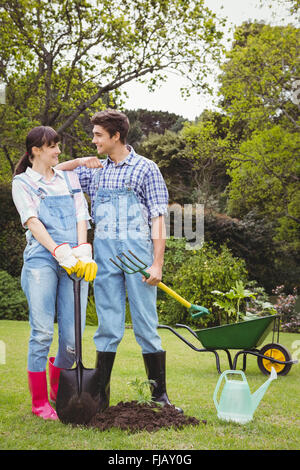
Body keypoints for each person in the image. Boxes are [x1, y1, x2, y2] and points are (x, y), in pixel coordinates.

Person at [56, 109, 182, 412]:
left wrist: (157, 264)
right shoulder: (94, 169)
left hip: (138, 254)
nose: (94, 139)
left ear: (116, 136)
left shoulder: (145, 168)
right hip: (105, 254)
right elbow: (54, 172)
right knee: (108, 326)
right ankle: (99, 397)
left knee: (146, 324)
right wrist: (78, 162)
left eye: (99, 134)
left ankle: (159, 396)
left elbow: (158, 218)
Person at [12, 126, 97, 420]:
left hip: (74, 260)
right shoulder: (22, 183)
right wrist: (57, 250)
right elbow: (32, 221)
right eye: (53, 147)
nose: (58, 151)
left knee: (73, 339)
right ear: (36, 150)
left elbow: (80, 216)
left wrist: (82, 248)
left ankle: (58, 391)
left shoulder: (67, 178)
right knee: (42, 332)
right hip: (42, 259)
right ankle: (39, 403)